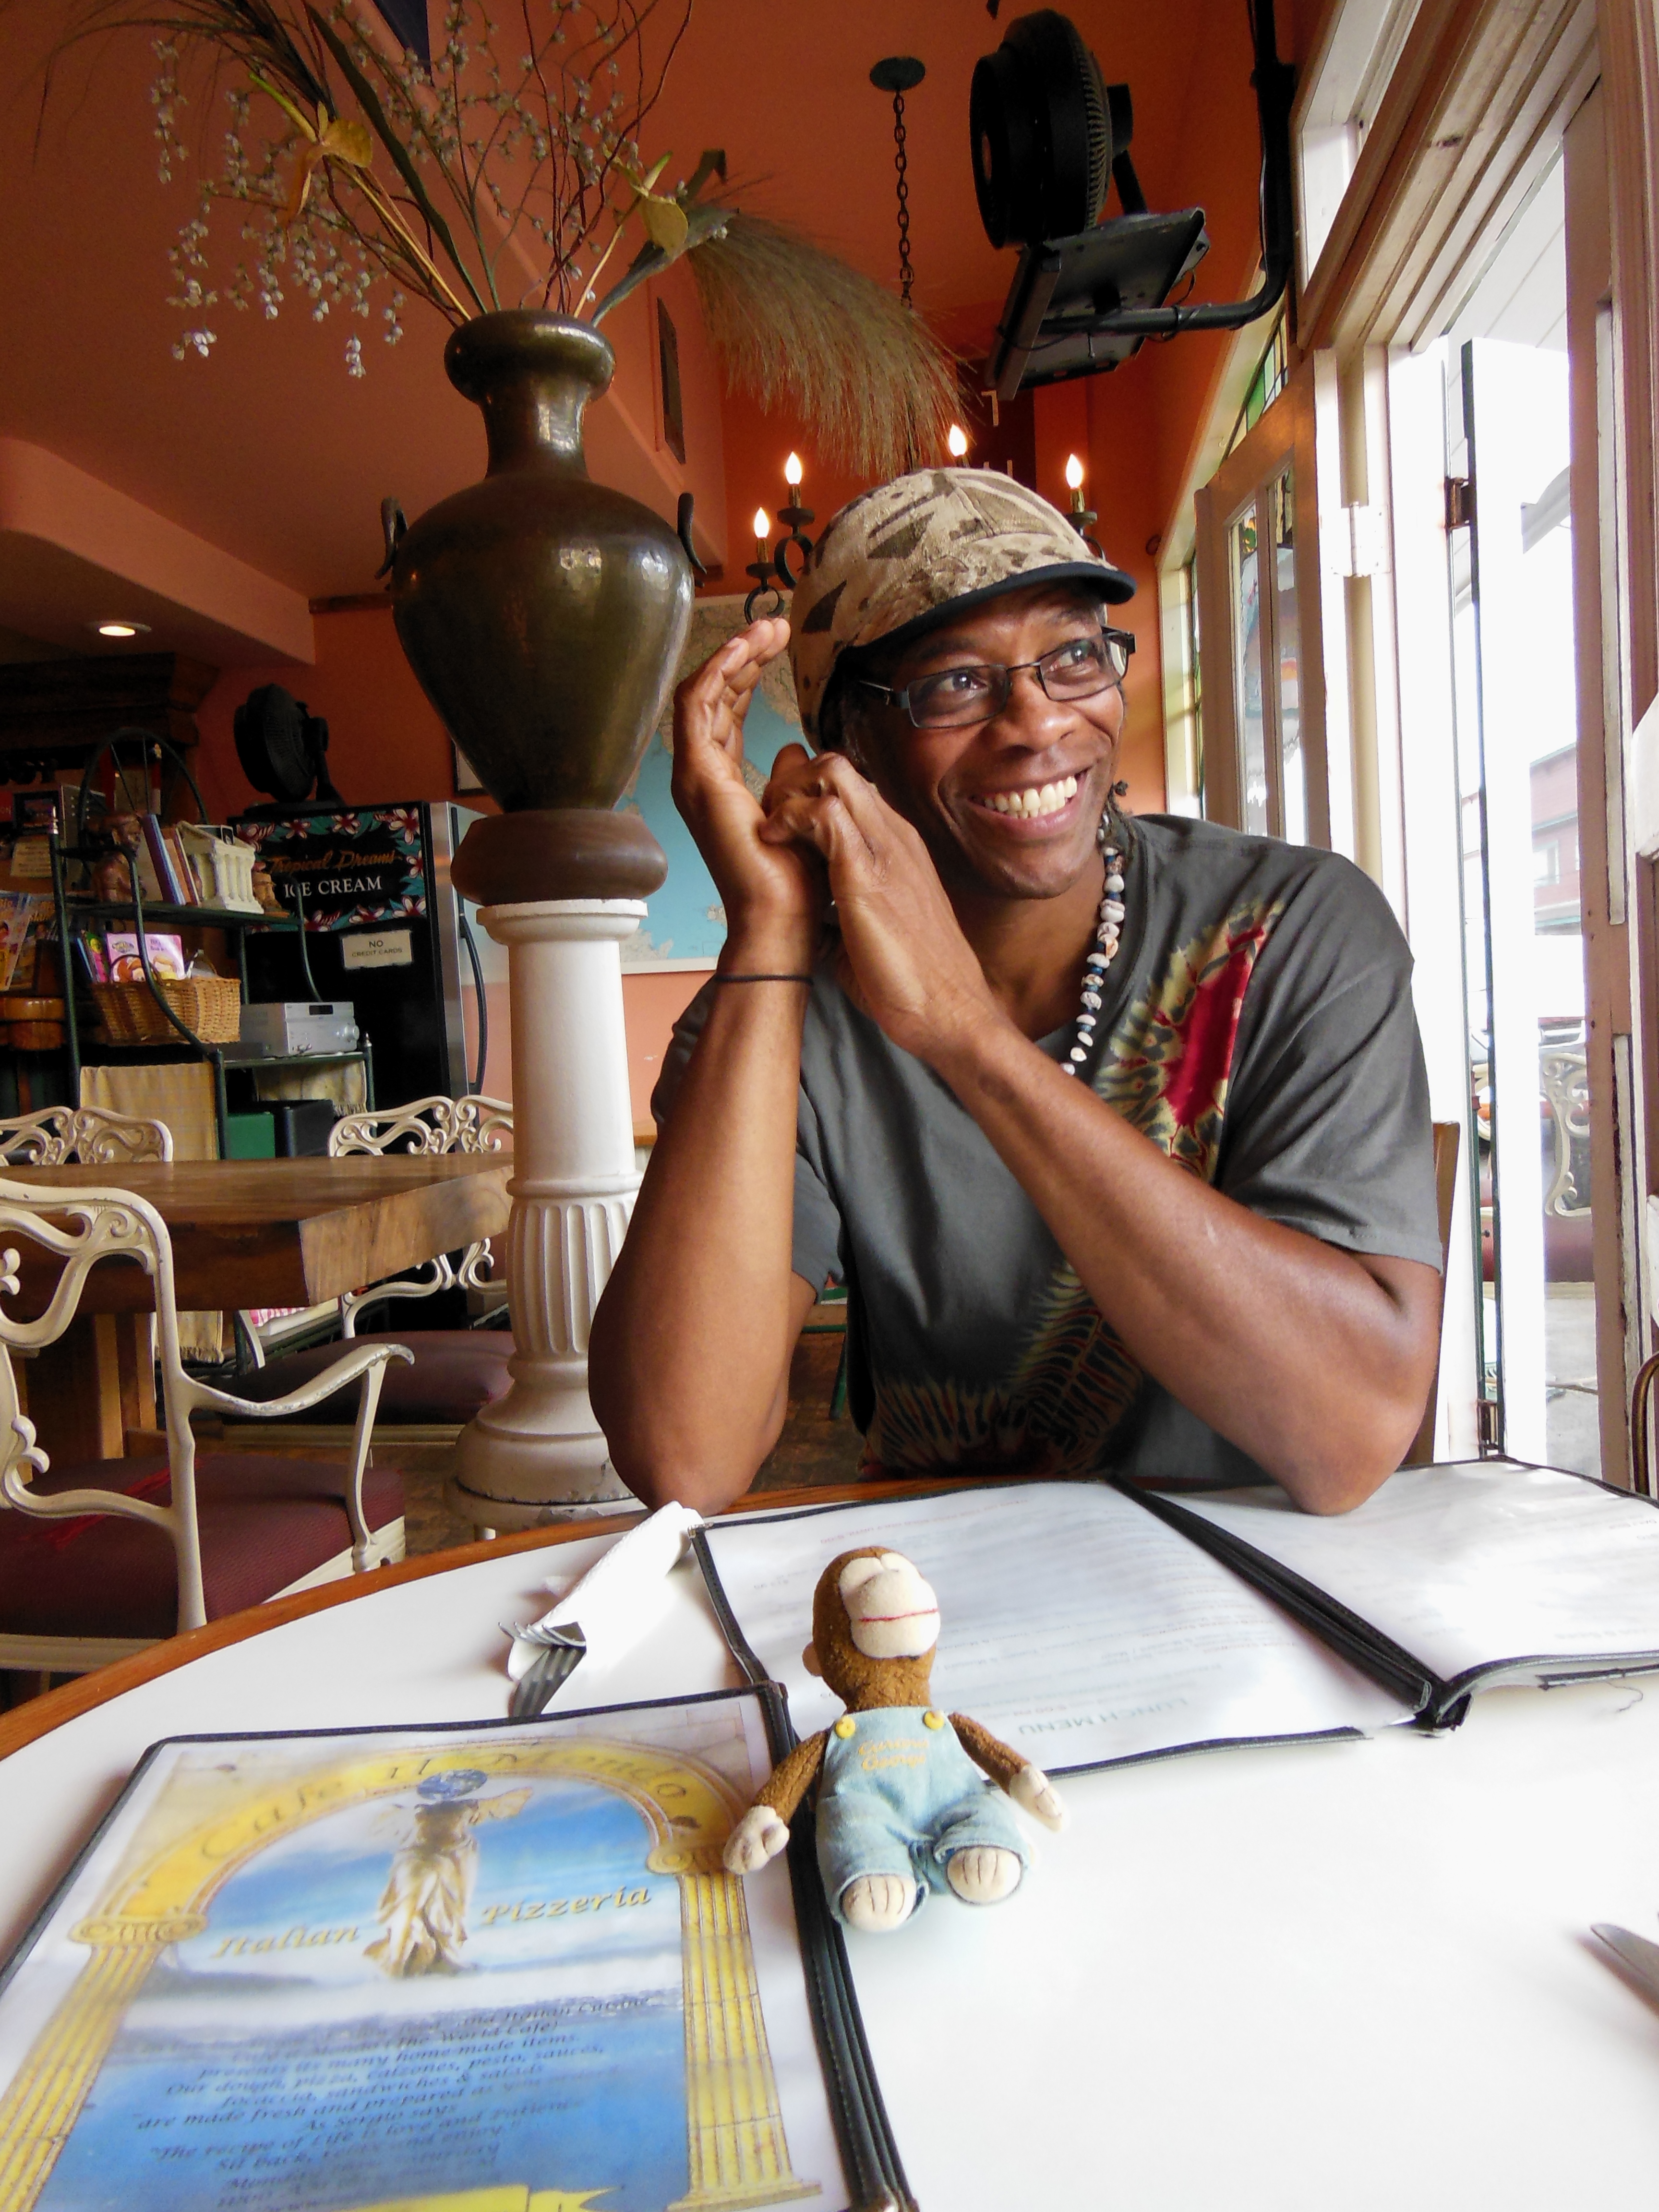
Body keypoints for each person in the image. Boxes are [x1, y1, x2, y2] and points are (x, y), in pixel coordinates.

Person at [589, 469, 1443, 1517]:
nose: (1038, 721)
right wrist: (768, 924)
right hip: (946, 1599)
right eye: (956, 682)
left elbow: (1352, 1433)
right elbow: (684, 1459)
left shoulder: (1291, 930)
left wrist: (964, 1034)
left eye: (1074, 655)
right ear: (851, 749)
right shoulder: (778, 1012)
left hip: (1267, 1585)